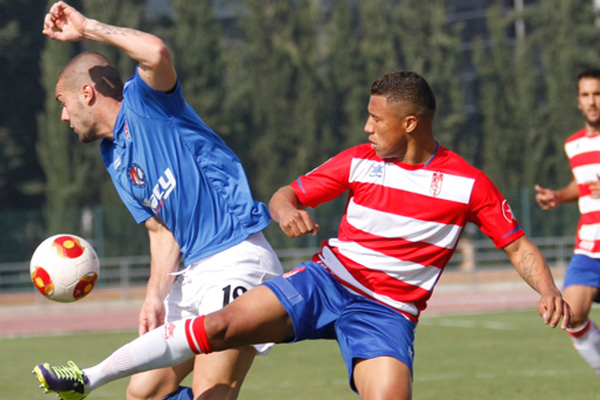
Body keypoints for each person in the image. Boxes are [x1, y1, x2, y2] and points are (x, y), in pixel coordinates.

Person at [34, 70, 572, 400]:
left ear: (410, 124)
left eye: (375, 119)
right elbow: (286, 194)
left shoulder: (466, 183)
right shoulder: (360, 161)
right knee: (219, 327)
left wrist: (547, 290)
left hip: (387, 312)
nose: (366, 127)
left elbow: (519, 245)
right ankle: (87, 376)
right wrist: (288, 209)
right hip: (326, 281)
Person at [36, 2, 283, 400]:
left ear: (87, 93)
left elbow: (156, 53)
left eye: (64, 104)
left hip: (237, 258)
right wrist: (155, 296)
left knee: (211, 390)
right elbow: (160, 231)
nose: (64, 117)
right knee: (144, 393)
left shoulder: (146, 101)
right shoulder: (113, 156)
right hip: (194, 275)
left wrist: (87, 27)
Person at [534, 67, 600, 376]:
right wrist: (559, 196)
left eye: (597, 94)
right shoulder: (573, 145)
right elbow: (583, 184)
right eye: (586, 95)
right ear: (578, 101)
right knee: (571, 314)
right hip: (589, 245)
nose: (592, 101)